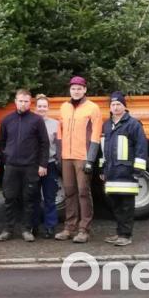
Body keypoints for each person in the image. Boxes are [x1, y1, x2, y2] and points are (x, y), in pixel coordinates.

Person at [0, 89, 49, 242]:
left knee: (29, 199)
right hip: (12, 166)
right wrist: (6, 159)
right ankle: (8, 229)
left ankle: (26, 229)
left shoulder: (37, 120)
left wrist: (43, 164)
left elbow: (44, 143)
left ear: (30, 103)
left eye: (26, 101)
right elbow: (2, 142)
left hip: (30, 166)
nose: (23, 104)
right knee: (9, 198)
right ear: (15, 101)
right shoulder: (7, 120)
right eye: (20, 101)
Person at [55, 76, 102, 243]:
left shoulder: (93, 108)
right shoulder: (64, 107)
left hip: (83, 157)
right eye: (73, 88)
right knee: (69, 192)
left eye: (79, 88)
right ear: (70, 90)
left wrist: (90, 159)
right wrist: (60, 155)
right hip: (67, 157)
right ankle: (69, 227)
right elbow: (59, 133)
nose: (76, 91)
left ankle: (84, 229)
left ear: (85, 90)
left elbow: (96, 135)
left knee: (83, 192)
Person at [100, 92, 148, 247]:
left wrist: (137, 170)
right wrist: (102, 169)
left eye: (118, 104)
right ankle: (119, 232)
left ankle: (126, 235)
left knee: (126, 206)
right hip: (111, 172)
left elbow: (141, 147)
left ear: (124, 106)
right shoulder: (106, 125)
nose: (115, 107)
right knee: (116, 205)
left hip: (127, 172)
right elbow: (103, 149)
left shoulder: (133, 124)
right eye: (113, 105)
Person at [30, 94, 60, 239]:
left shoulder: (55, 124)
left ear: (48, 108)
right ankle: (34, 226)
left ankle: (50, 226)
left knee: (50, 197)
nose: (42, 108)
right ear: (35, 107)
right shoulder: (30, 122)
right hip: (33, 165)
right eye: (39, 106)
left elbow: (59, 145)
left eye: (44, 106)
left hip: (50, 164)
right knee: (33, 197)